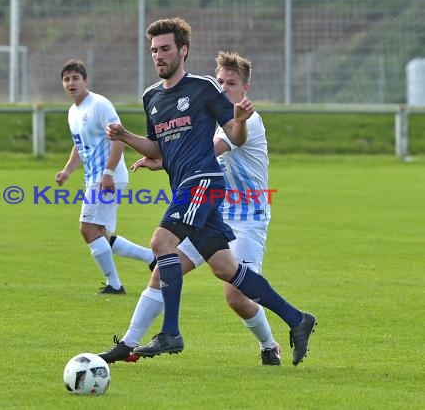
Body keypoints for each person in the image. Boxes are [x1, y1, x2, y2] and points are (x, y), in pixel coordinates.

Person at [104, 18, 316, 366]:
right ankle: (296, 319)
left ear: (244, 89)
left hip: (241, 211)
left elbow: (221, 143)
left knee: (174, 254)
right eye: (220, 81)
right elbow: (165, 145)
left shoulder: (244, 117)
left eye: (230, 83)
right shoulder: (161, 100)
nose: (223, 87)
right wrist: (135, 141)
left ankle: (182, 334)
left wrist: (236, 121)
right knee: (194, 269)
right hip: (211, 204)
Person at [55, 59, 155, 294]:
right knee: (100, 233)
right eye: (67, 79)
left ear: (85, 81)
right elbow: (80, 145)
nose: (71, 83)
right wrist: (68, 170)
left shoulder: (99, 105)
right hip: (96, 178)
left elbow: (118, 138)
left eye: (75, 78)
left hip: (107, 177)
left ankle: (115, 285)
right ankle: (152, 258)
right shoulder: (73, 112)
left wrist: (108, 173)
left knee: (87, 229)